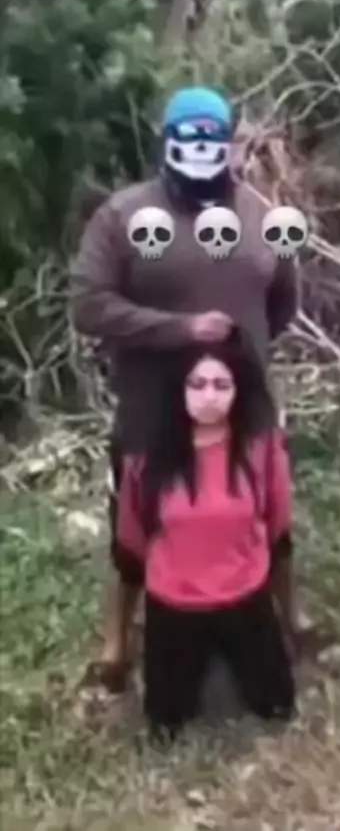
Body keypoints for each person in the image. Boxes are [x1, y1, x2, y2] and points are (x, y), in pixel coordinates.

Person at [70, 85, 300, 696]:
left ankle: (288, 621)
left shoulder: (262, 214)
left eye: (213, 136)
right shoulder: (123, 215)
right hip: (153, 406)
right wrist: (179, 331)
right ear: (167, 141)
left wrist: (242, 359)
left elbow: (283, 300)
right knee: (135, 524)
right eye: (188, 135)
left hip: (246, 404)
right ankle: (118, 643)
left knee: (270, 514)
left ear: (231, 145)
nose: (202, 147)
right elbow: (88, 305)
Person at [115, 329, 296, 742]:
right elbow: (132, 535)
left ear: (237, 390)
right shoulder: (146, 455)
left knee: (278, 709)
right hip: (173, 602)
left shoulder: (261, 446)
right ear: (179, 389)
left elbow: (278, 521)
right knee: (166, 727)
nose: (209, 396)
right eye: (197, 385)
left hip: (245, 592)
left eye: (221, 385)